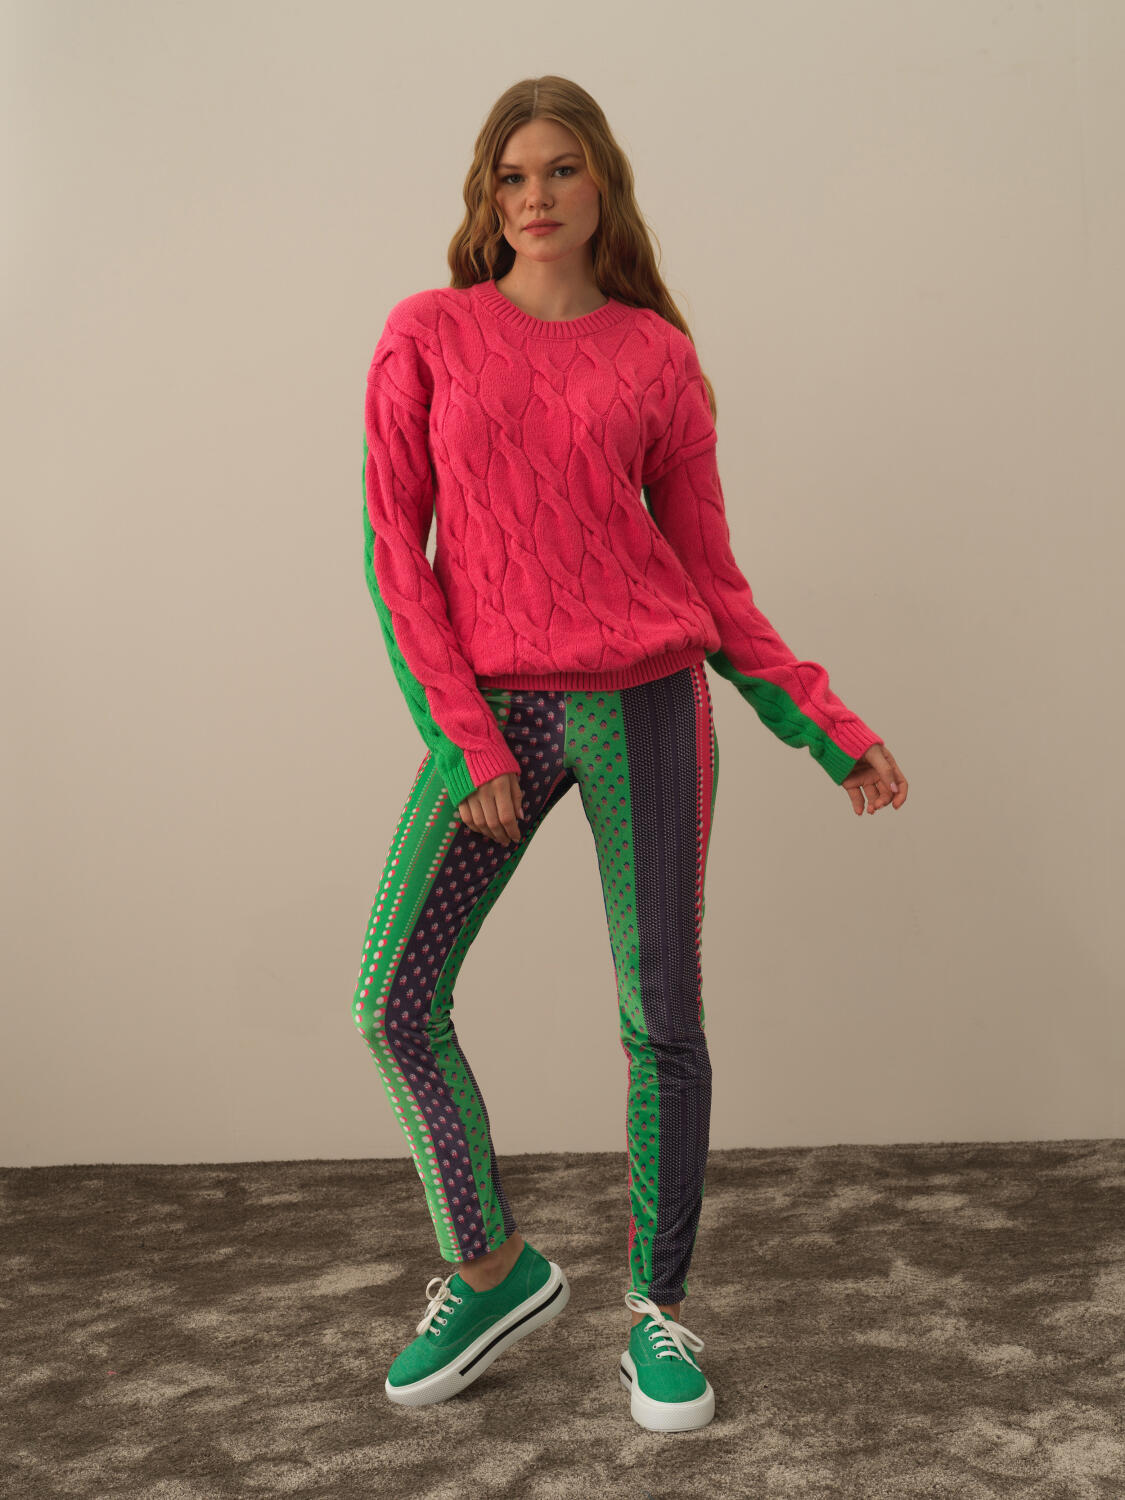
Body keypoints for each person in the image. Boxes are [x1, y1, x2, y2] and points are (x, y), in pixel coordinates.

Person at [354, 75, 908, 1433]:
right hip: (495, 713)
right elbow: (394, 556)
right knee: (391, 1001)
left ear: (602, 183)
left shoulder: (655, 355)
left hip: (648, 706)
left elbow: (711, 577)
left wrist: (825, 725)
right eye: (511, 176)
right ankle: (492, 1268)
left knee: (660, 1020)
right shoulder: (428, 333)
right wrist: (465, 738)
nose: (534, 197)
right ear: (487, 197)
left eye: (559, 170)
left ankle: (657, 1310)